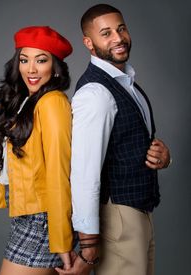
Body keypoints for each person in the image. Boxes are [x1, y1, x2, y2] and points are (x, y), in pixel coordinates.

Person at [56, 4, 171, 275]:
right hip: (117, 218)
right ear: (89, 43)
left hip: (139, 213)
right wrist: (88, 243)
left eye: (121, 28)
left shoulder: (126, 82)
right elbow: (84, 173)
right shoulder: (96, 93)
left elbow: (132, 141)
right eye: (105, 33)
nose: (118, 38)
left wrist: (164, 155)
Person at [0, 26, 74, 275]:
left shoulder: (52, 103)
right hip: (27, 216)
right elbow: (16, 157)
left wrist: (62, 239)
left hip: (43, 220)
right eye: (24, 60)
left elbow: (59, 171)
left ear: (55, 67)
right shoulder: (27, 101)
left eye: (41, 60)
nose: (30, 69)